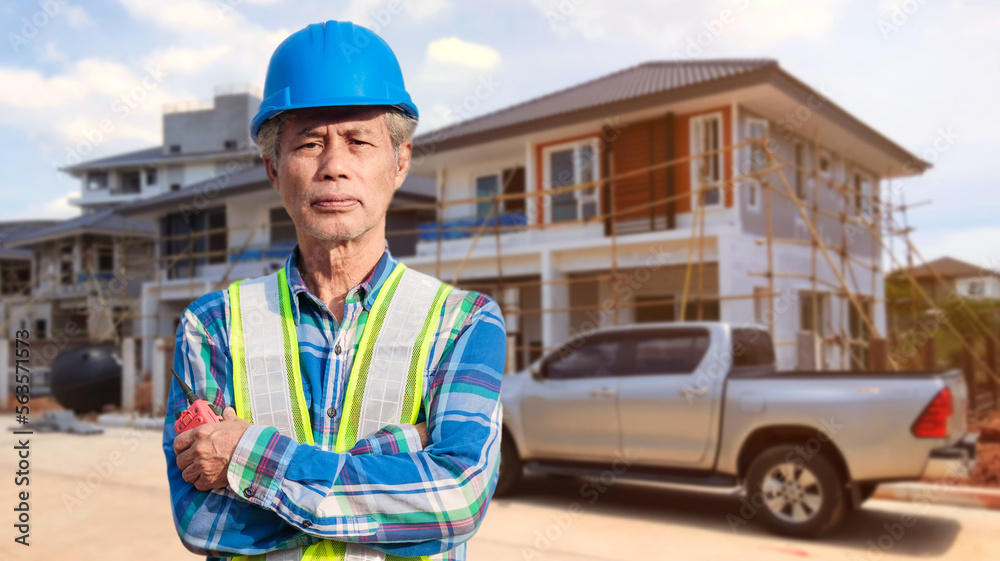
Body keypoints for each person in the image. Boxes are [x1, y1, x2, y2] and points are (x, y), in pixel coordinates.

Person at [162, 20, 506, 561]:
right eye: (310, 143)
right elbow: (202, 521)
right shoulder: (213, 326)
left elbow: (456, 501)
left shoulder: (462, 321)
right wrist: (399, 454)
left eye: (358, 140)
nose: (334, 167)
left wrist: (247, 458)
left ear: (399, 161)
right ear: (274, 168)